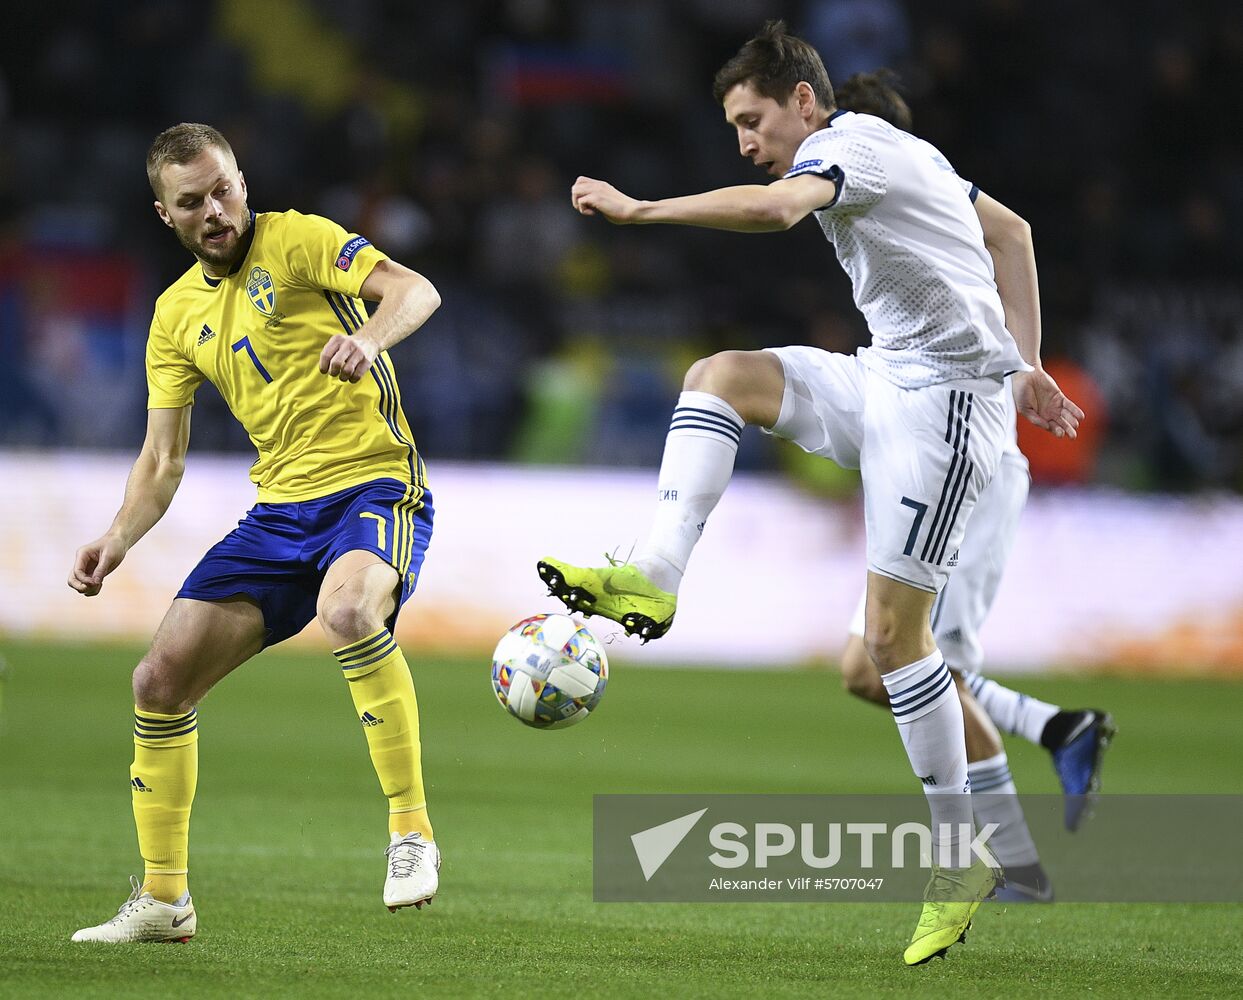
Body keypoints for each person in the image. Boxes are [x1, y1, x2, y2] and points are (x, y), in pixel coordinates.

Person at [537, 22, 1083, 965]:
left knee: (886, 645)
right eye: (734, 129)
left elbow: (771, 211)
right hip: (889, 378)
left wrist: (639, 211)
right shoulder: (902, 151)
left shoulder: (844, 142)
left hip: (948, 410)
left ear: (802, 100)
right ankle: (656, 575)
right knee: (721, 375)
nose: (745, 144)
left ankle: (959, 855)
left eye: (752, 121)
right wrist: (1028, 360)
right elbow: (1012, 232)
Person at [68, 123, 443, 943]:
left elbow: (415, 290)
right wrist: (118, 537)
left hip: (373, 484)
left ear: (243, 180)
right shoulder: (173, 316)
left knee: (349, 613)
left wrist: (367, 336)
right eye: (192, 201)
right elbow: (162, 458)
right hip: (278, 514)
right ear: (164, 214)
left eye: (224, 188)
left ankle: (411, 834)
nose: (216, 210)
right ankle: (165, 901)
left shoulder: (300, 239)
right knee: (157, 682)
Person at [831, 71, 1115, 887]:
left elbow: (1016, 233)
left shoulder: (907, 178)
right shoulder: (912, 208)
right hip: (938, 450)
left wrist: (1024, 367)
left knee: (921, 667)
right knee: (869, 665)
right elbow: (1012, 235)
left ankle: (1013, 864)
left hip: (972, 463)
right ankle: (1057, 728)